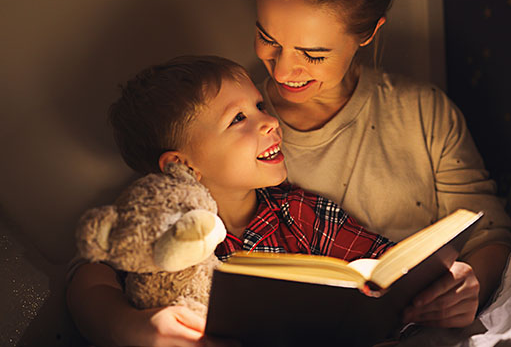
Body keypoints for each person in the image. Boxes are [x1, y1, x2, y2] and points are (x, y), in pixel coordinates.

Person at [252, 0, 511, 330]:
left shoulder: (423, 114)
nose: (281, 71)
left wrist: (471, 283)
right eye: (268, 39)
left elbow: (490, 234)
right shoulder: (235, 121)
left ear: (369, 33)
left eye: (313, 55)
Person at [67, 55, 395, 346]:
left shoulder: (296, 212)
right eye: (238, 118)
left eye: (260, 107)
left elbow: (387, 264)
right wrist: (132, 327)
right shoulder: (156, 228)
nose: (270, 121)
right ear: (182, 165)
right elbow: (88, 278)